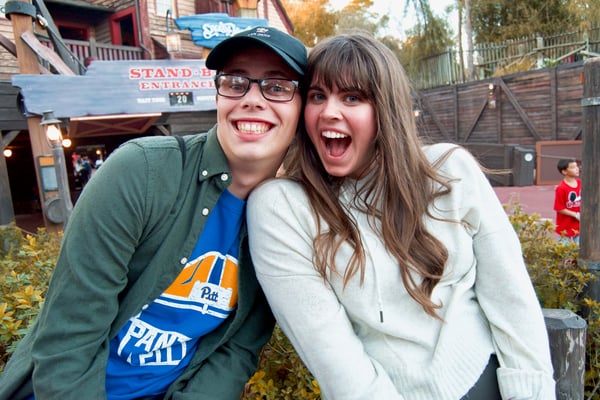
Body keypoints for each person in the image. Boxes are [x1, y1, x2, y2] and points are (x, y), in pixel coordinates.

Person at [0, 26, 306, 400]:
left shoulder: (288, 222)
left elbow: (237, 349)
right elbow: (70, 336)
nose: (252, 99)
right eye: (236, 81)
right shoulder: (141, 172)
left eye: (277, 87)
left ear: (303, 107)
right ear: (219, 94)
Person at [247, 32, 555, 400]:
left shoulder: (450, 172)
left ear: (386, 109)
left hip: (487, 378)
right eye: (317, 96)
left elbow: (511, 301)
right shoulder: (283, 207)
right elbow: (331, 353)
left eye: (352, 97)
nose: (329, 111)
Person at [553, 158, 581, 244]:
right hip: (565, 225)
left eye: (577, 166)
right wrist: (575, 214)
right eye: (573, 167)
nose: (577, 169)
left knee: (580, 248)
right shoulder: (561, 188)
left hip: (578, 225)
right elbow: (559, 207)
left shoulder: (580, 183)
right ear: (564, 171)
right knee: (564, 251)